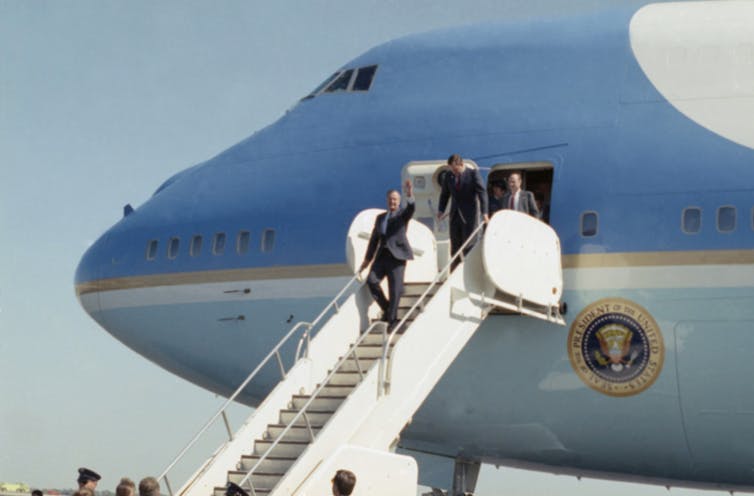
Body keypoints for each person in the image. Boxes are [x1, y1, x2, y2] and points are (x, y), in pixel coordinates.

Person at [360, 179, 415, 328]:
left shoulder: (402, 215)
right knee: (372, 281)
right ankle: (387, 308)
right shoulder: (380, 218)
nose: (393, 202)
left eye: (396, 199)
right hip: (382, 256)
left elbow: (411, 209)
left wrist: (410, 195)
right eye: (391, 199)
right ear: (387, 200)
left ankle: (392, 320)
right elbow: (373, 240)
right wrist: (367, 260)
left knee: (394, 288)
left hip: (398, 256)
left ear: (399, 201)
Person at [437, 154, 489, 258]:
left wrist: (485, 212)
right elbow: (445, 194)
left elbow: (482, 193)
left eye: (456, 170)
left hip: (469, 216)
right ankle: (455, 268)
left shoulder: (473, 174)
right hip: (455, 215)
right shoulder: (448, 176)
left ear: (461, 165)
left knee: (468, 245)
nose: (454, 173)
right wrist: (441, 210)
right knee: (455, 247)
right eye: (452, 170)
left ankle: (467, 269)